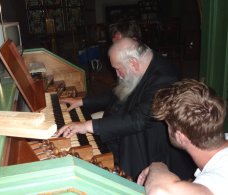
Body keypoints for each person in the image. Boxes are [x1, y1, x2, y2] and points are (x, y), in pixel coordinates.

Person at [55, 37, 196, 181]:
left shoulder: (165, 78)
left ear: (133, 63)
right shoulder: (142, 64)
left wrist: (86, 126)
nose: (116, 74)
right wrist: (82, 101)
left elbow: (138, 120)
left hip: (151, 148)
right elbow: (118, 92)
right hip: (131, 134)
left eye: (118, 69)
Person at [137, 79, 228, 195]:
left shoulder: (220, 176)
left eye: (167, 125)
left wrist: (157, 166)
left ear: (181, 137)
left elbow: (160, 191)